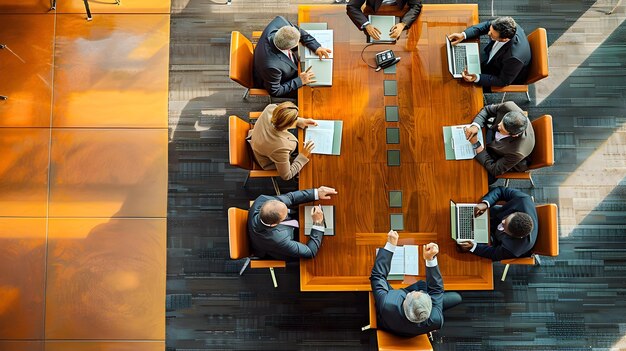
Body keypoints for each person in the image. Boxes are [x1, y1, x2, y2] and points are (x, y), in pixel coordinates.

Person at [370, 231, 462, 337]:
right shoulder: (435, 320)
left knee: (427, 289)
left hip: (390, 322)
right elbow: (436, 290)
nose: (414, 291)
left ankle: (429, 301)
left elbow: (377, 276)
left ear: (405, 301)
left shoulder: (388, 303)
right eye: (421, 294)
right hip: (410, 328)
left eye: (411, 293)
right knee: (456, 297)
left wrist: (390, 245)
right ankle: (430, 302)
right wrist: (430, 259)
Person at [248, 186, 338, 261]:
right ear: (275, 224)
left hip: (290, 226)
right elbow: (310, 252)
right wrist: (318, 223)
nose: (288, 210)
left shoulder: (263, 200)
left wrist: (316, 193)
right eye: (285, 214)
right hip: (288, 244)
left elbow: (290, 197)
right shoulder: (278, 240)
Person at [253, 16, 332, 98]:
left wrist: (316, 47)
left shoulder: (280, 22)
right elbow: (275, 91)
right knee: (317, 92)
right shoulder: (271, 67)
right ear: (289, 48)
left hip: (279, 67)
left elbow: (299, 31)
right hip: (277, 79)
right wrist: (299, 81)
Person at [457, 187, 538, 261]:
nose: (502, 222)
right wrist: (485, 203)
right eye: (506, 219)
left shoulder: (516, 248)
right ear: (517, 213)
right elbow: (501, 191)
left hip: (493, 240)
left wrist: (473, 247)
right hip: (494, 214)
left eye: (504, 226)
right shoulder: (523, 200)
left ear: (514, 236)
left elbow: (495, 254)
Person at [448, 16, 531, 89]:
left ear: (504, 39)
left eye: (492, 34)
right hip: (493, 59)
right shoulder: (507, 25)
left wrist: (477, 78)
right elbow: (487, 25)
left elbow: (503, 81)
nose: (488, 33)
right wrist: (464, 35)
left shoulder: (513, 58)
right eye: (490, 30)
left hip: (500, 73)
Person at [463, 101, 535, 184]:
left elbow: (494, 170)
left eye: (502, 129)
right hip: (493, 140)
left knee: (473, 178)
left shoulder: (518, 152)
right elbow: (487, 109)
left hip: (500, 157)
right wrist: (475, 126)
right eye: (501, 122)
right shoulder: (509, 106)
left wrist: (476, 144)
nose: (499, 126)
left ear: (514, 135)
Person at [249, 102, 317, 180]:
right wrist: (303, 156)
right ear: (289, 124)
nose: (297, 118)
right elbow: (286, 175)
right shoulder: (280, 147)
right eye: (296, 118)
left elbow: (280, 118)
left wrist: (301, 121)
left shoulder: (270, 108)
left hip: (259, 140)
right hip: (268, 158)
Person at [346, 0, 423, 40]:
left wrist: (403, 24)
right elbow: (352, 7)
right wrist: (366, 24)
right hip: (373, 12)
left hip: (399, 12)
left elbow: (416, 5)